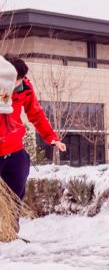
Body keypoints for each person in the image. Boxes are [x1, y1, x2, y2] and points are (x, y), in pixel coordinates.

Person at [0, 56, 66, 207]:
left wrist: (52, 137)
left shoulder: (25, 88)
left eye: (21, 79)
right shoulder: (2, 87)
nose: (18, 83)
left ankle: (11, 227)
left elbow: (36, 114)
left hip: (14, 148)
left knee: (15, 194)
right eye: (16, 79)